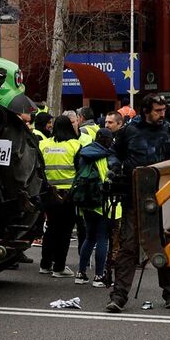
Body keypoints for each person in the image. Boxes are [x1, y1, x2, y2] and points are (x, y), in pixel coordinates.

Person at [105, 95, 170, 312]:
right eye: (158, 110)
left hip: (163, 195)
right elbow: (114, 154)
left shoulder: (168, 130)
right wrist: (115, 168)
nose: (162, 114)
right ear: (146, 110)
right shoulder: (129, 131)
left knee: (163, 242)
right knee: (128, 245)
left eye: (164, 110)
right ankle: (119, 296)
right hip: (134, 195)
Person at [37, 115, 86, 277]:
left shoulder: (43, 144)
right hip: (68, 195)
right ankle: (59, 267)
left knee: (51, 228)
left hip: (48, 194)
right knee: (65, 232)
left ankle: (45, 264)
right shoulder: (75, 145)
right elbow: (80, 171)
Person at [72, 125, 117, 286]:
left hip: (85, 202)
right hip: (102, 202)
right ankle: (98, 276)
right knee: (102, 238)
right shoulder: (107, 156)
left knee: (89, 238)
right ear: (107, 140)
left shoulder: (84, 152)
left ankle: (81, 273)